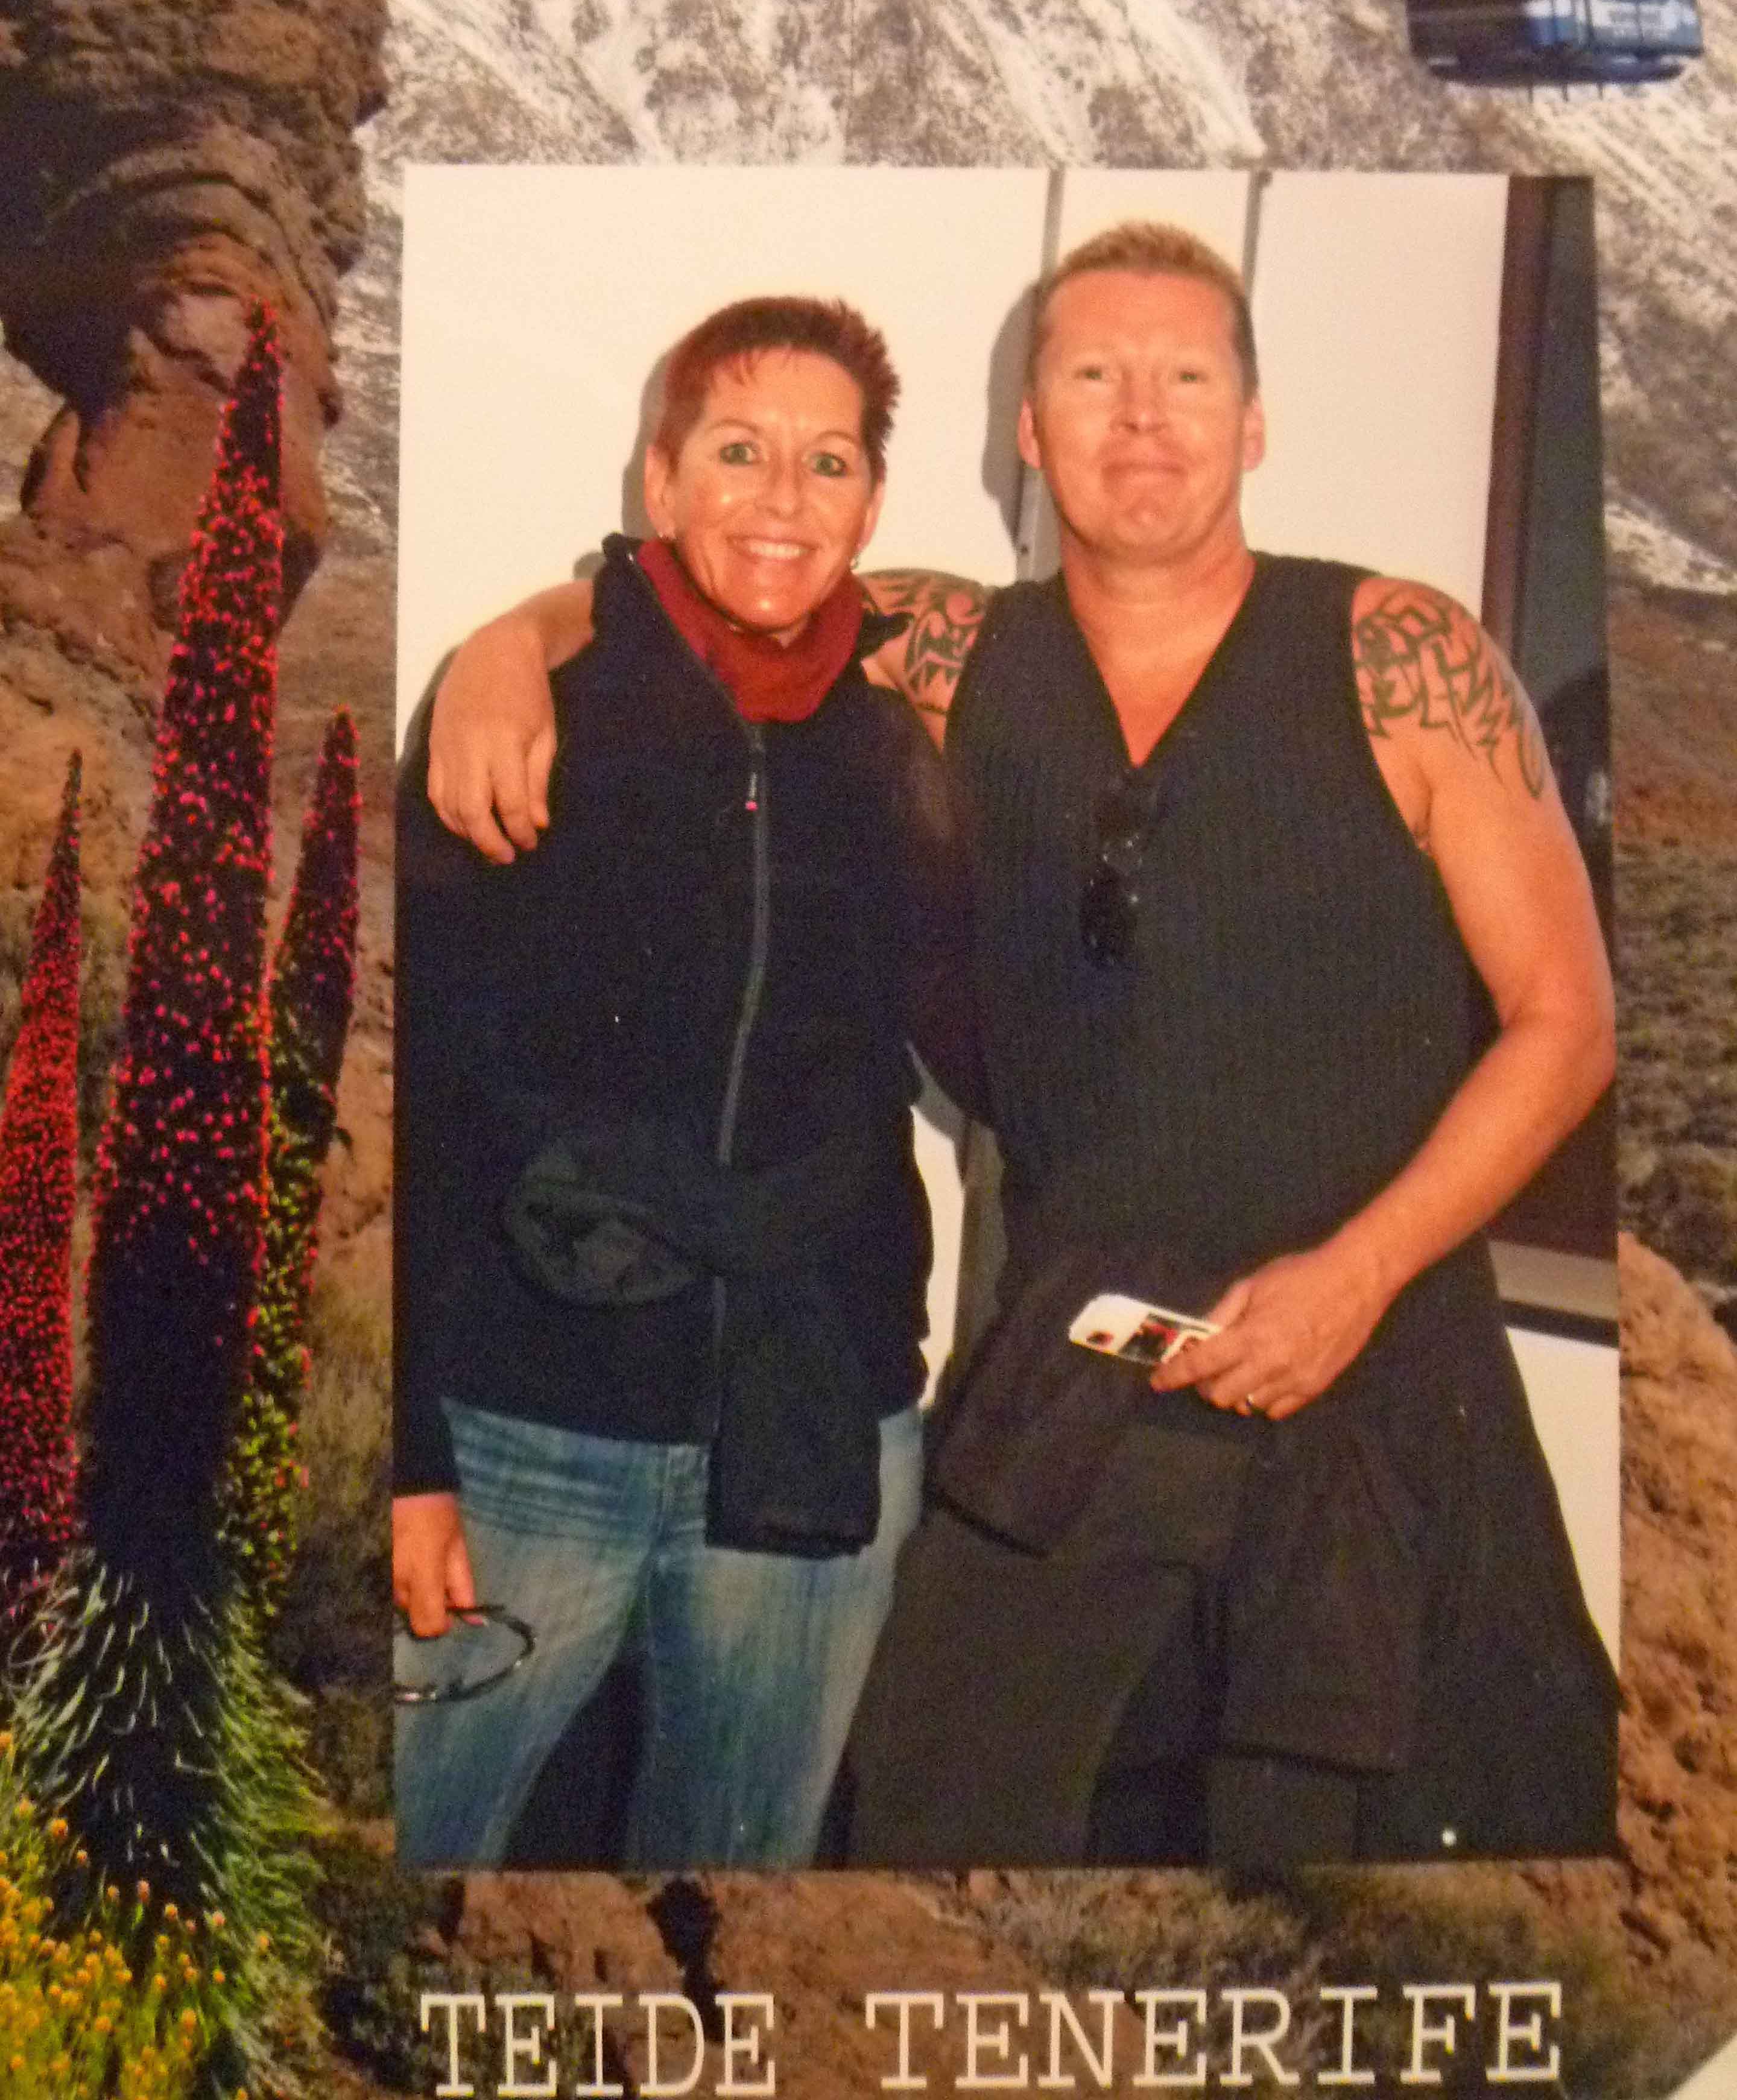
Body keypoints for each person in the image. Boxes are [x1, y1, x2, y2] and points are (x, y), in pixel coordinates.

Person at [426, 221, 1618, 1866]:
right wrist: (507, 644)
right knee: (931, 1845)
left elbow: (1569, 1025)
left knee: (1366, 1910)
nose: (1142, 415)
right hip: (1083, 1391)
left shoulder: (1398, 655)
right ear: (1031, 432)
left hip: (1385, 1387)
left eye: (1186, 375)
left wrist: (1352, 1281)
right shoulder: (953, 649)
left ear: (1254, 424)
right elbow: (716, 584)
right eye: (1094, 375)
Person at [394, 294, 967, 1869]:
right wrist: (409, 1463)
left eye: (829, 461)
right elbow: (411, 1085)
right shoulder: (522, 717)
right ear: (661, 480)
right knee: (406, 1895)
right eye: (738, 451)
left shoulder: (902, 753)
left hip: (814, 1440)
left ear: (871, 503)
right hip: (524, 1440)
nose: (784, 498)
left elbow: (979, 1052)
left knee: (735, 1916)